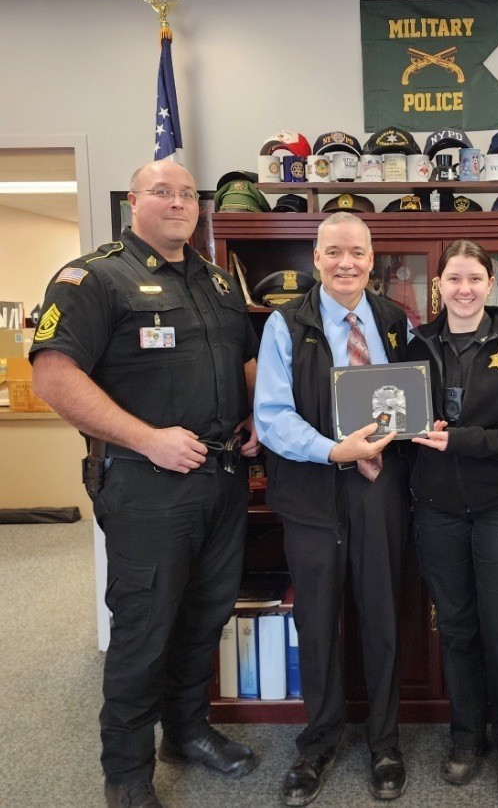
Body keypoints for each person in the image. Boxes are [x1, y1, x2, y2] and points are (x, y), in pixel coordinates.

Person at [30, 159, 261, 808]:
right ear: (134, 201)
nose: (178, 202)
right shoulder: (94, 277)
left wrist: (254, 420)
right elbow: (53, 376)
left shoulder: (217, 280)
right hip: (146, 483)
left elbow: (242, 360)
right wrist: (145, 438)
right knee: (144, 627)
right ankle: (127, 777)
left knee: (205, 615)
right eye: (162, 191)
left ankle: (185, 734)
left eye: (188, 194)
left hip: (221, 476)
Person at [254, 211, 410, 805]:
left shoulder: (395, 321)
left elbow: (407, 397)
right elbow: (271, 416)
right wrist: (332, 451)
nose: (347, 262)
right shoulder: (283, 325)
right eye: (334, 252)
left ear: (372, 260)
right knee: (316, 622)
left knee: (383, 616)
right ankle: (317, 744)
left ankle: (386, 742)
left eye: (358, 253)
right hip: (312, 492)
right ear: (315, 259)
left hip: (380, 495)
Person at [407, 241, 498, 804]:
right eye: (453, 278)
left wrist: (461, 440)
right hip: (437, 510)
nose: (464, 289)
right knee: (457, 628)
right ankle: (467, 738)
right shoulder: (415, 344)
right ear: (437, 285)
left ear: (491, 284)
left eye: (474, 278)